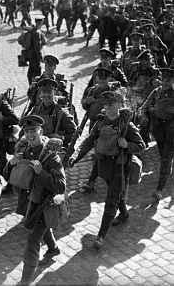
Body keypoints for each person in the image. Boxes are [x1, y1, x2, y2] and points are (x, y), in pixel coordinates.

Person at [69, 90, 145, 248]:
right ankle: (124, 213)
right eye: (105, 104)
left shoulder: (127, 125)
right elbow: (89, 141)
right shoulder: (100, 122)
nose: (107, 107)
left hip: (120, 167)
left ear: (118, 104)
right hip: (104, 167)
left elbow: (141, 146)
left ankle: (100, 236)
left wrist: (127, 145)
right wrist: (75, 157)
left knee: (111, 202)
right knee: (114, 194)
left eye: (111, 104)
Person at [3, 115, 66, 285]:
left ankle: (24, 281)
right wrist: (11, 164)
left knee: (32, 242)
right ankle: (53, 249)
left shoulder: (51, 156)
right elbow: (8, 177)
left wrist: (42, 173)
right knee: (40, 231)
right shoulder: (23, 150)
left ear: (41, 131)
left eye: (34, 131)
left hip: (45, 205)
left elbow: (61, 186)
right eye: (27, 131)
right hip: (28, 203)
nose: (30, 134)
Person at [139, 68, 174, 202]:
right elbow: (145, 106)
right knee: (163, 156)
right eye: (163, 79)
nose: (165, 82)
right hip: (159, 132)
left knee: (166, 160)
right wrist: (144, 116)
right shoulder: (157, 92)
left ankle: (159, 189)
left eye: (169, 79)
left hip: (172, 134)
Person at [29, 78, 76, 148]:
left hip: (53, 151)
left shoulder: (62, 113)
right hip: (37, 148)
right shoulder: (36, 110)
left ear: (54, 93)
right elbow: (26, 127)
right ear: (40, 94)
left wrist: (61, 137)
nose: (46, 95)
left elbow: (75, 133)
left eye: (49, 92)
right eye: (44, 92)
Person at [27, 15, 47, 84]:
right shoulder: (37, 33)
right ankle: (34, 87)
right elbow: (37, 46)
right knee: (37, 72)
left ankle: (30, 85)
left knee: (31, 70)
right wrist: (40, 57)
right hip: (35, 55)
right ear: (40, 22)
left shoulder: (33, 29)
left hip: (30, 54)